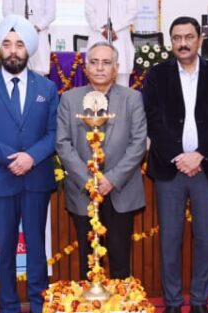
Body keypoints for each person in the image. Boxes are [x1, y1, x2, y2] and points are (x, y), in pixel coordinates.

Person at [143, 16, 208, 313]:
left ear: (200, 40)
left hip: (207, 168)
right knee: (170, 239)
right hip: (170, 168)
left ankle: (199, 302)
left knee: (204, 238)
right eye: (177, 38)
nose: (183, 43)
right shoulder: (156, 75)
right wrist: (178, 156)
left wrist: (200, 154)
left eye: (188, 37)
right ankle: (172, 303)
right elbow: (153, 119)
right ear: (171, 42)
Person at [0, 16, 58, 313]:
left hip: (36, 177)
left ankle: (38, 307)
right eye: (7, 43)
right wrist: (12, 159)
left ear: (28, 49)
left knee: (36, 246)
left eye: (19, 44)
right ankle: (8, 310)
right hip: (1, 178)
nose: (13, 50)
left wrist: (31, 157)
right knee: (4, 247)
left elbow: (54, 133)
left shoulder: (47, 88)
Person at [56, 42, 147, 281]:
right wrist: (89, 181)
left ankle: (120, 303)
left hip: (120, 190)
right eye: (94, 62)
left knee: (120, 259)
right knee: (89, 258)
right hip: (83, 191)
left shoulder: (132, 99)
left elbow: (138, 144)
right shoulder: (69, 99)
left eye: (106, 63)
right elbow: (63, 143)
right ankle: (92, 303)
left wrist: (111, 180)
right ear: (86, 67)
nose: (99, 68)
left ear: (116, 68)